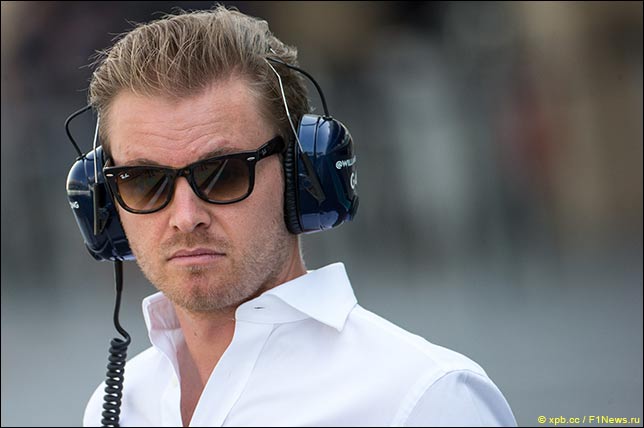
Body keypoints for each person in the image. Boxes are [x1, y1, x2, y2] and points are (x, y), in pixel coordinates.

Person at [81, 6, 517, 427]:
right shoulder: (116, 406)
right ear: (103, 200)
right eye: (142, 180)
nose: (185, 216)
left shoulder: (426, 400)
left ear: (304, 175)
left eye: (224, 174)